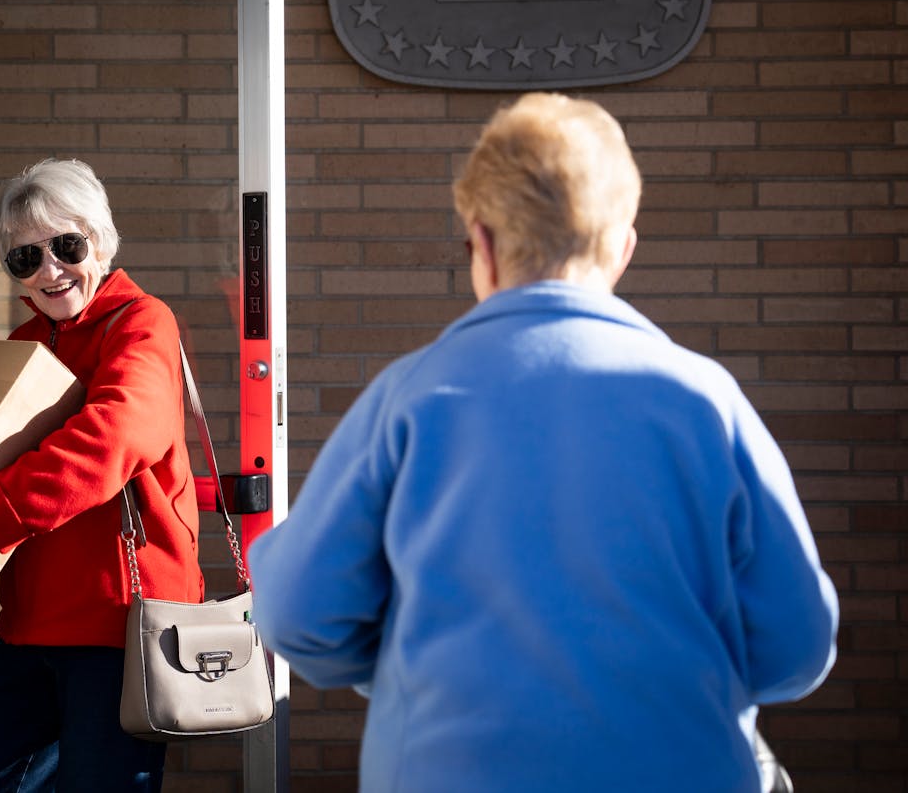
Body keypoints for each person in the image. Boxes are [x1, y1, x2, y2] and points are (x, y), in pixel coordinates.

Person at [247, 92, 839, 793]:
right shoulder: (705, 400)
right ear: (623, 248)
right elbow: (797, 646)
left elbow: (296, 614)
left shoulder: (409, 398)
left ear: (483, 242)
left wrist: (414, 663)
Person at [0, 158, 203, 792]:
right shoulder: (26, 341)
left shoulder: (142, 324)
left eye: (66, 246)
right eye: (24, 258)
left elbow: (114, 436)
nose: (50, 269)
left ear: (100, 240)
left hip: (120, 626)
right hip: (31, 620)